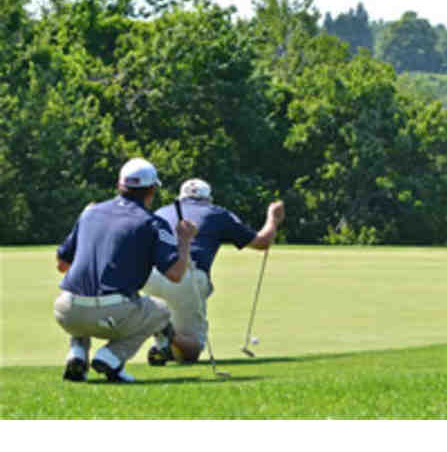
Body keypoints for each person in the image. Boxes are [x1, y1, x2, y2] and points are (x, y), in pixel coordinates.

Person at [53, 158, 198, 383]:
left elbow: (62, 265)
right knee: (160, 311)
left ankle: (77, 355)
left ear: (119, 185)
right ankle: (111, 357)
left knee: (82, 293)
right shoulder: (154, 223)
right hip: (113, 314)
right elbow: (175, 274)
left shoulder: (89, 213)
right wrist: (185, 241)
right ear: (151, 190)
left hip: (66, 310)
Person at [142, 178, 285, 365]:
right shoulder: (217, 213)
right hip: (185, 276)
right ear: (208, 198)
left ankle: (163, 346)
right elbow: (262, 242)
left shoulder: (161, 212)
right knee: (192, 351)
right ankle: (164, 331)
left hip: (151, 277)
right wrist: (272, 219)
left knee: (172, 324)